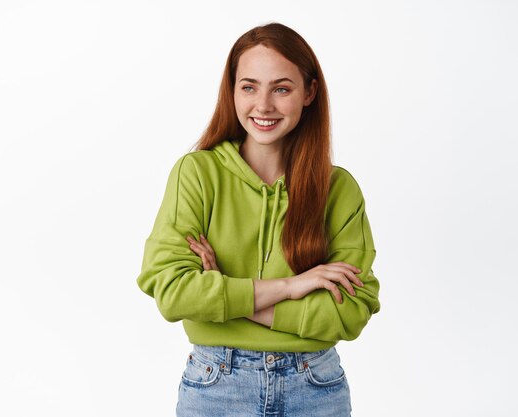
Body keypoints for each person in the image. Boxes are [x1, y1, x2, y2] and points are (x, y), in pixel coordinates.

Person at [136, 22, 380, 417]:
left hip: (315, 387)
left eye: (281, 88)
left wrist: (226, 295)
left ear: (309, 93)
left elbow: (350, 313)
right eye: (249, 87)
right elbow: (173, 292)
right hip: (217, 386)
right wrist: (293, 285)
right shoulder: (197, 174)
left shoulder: (338, 189)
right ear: (232, 91)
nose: (263, 105)